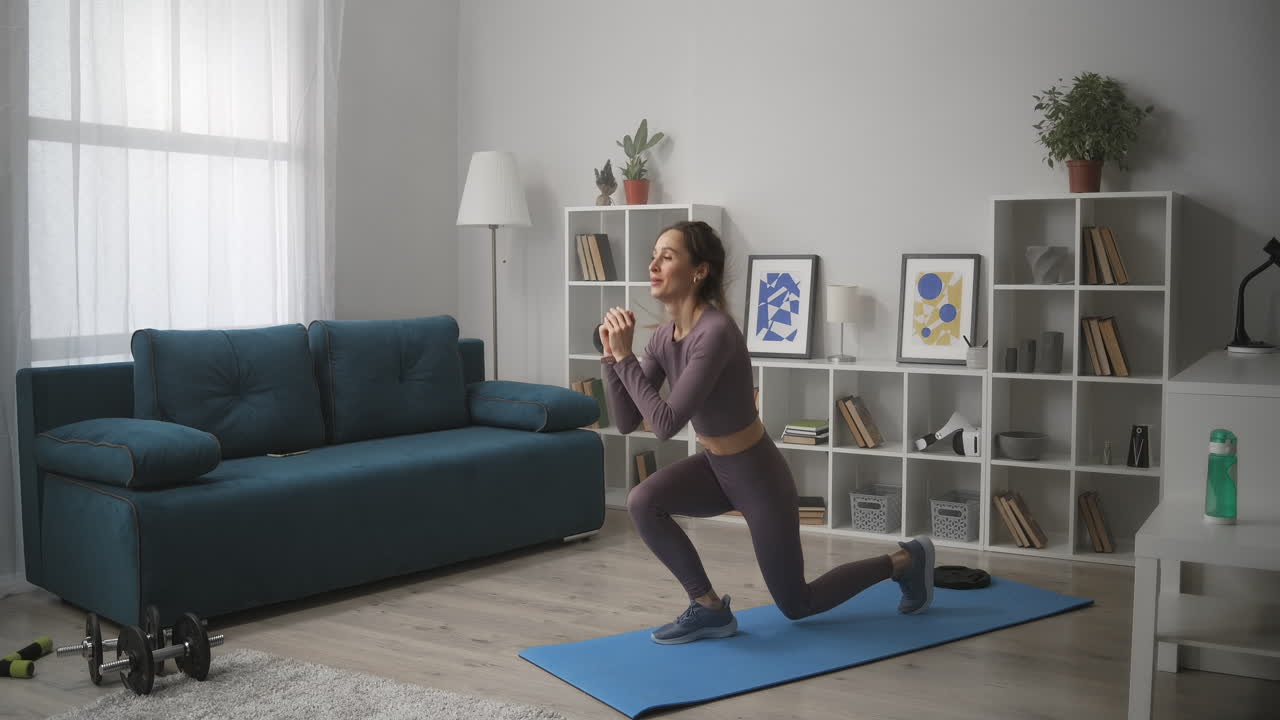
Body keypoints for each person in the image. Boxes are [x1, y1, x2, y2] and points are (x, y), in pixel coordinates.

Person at [598, 220, 935, 645]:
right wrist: (612, 359)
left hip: (757, 475)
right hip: (715, 467)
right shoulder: (665, 336)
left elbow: (665, 425)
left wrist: (626, 358)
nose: (654, 264)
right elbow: (628, 420)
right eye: (654, 255)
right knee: (643, 501)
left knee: (798, 604)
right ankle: (708, 608)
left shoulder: (716, 333)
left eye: (667, 256)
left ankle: (905, 561)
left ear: (699, 271)